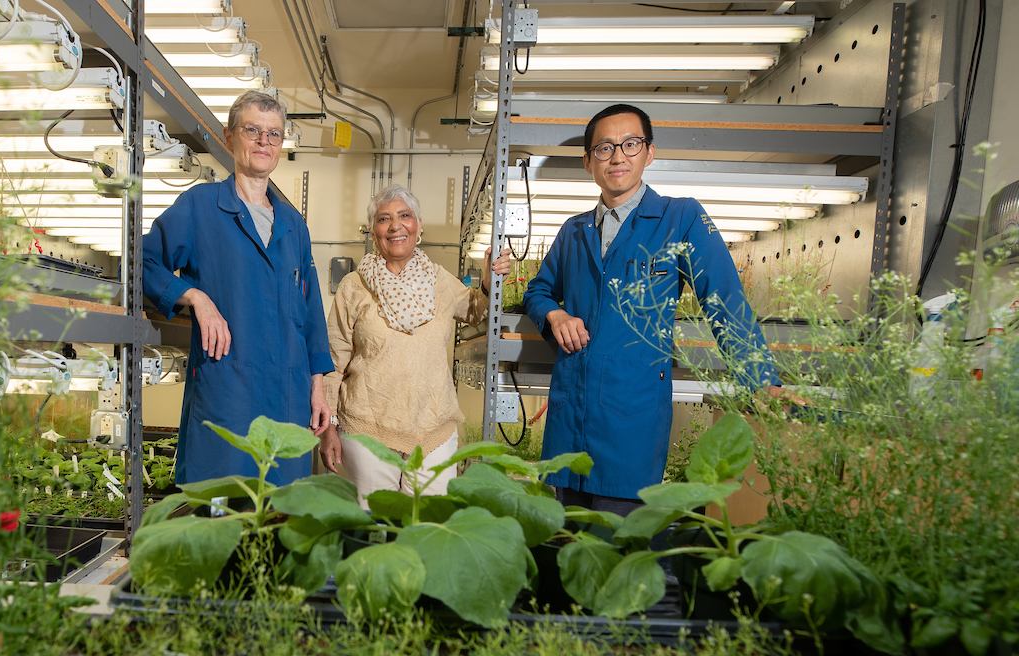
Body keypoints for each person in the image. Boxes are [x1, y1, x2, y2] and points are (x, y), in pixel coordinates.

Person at [522, 103, 784, 515]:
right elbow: (538, 289)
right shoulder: (574, 230)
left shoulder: (680, 217)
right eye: (605, 148)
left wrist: (762, 379)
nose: (618, 156)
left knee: (619, 545)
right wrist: (554, 314)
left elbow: (724, 301)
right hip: (570, 413)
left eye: (630, 144)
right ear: (588, 160)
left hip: (631, 414)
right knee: (572, 550)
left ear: (649, 152)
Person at [142, 90, 333, 486]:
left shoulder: (294, 226)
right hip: (228, 394)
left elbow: (311, 312)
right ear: (229, 138)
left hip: (288, 397)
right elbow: (144, 260)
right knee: (224, 517)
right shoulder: (200, 206)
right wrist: (194, 296)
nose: (264, 141)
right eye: (252, 130)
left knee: (282, 520)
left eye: (274, 134)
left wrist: (318, 387)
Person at [320, 184, 510, 505]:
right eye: (384, 218)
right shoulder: (354, 286)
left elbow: (477, 310)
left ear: (418, 226)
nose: (395, 226)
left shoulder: (441, 281)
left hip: (433, 430)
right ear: (373, 231)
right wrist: (329, 429)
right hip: (368, 430)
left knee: (428, 529)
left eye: (405, 216)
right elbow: (333, 362)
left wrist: (491, 282)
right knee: (373, 530)